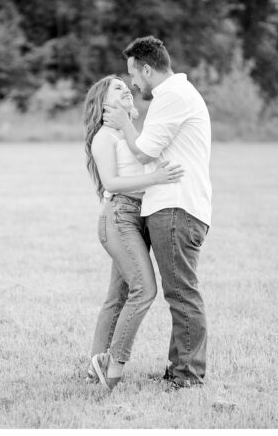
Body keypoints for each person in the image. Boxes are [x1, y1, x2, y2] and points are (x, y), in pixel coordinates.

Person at [101, 36, 212, 389]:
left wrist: (122, 121)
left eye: (134, 75)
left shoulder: (172, 96)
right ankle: (178, 369)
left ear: (147, 69)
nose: (133, 84)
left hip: (176, 208)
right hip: (171, 207)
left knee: (181, 294)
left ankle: (187, 376)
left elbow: (145, 151)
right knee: (176, 293)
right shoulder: (175, 95)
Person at [83, 74, 184, 391]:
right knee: (144, 289)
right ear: (103, 102)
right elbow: (111, 184)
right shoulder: (104, 137)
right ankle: (113, 368)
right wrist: (155, 178)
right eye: (117, 88)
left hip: (136, 219)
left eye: (127, 87)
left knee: (118, 297)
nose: (126, 89)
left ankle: (95, 366)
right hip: (119, 217)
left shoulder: (128, 133)